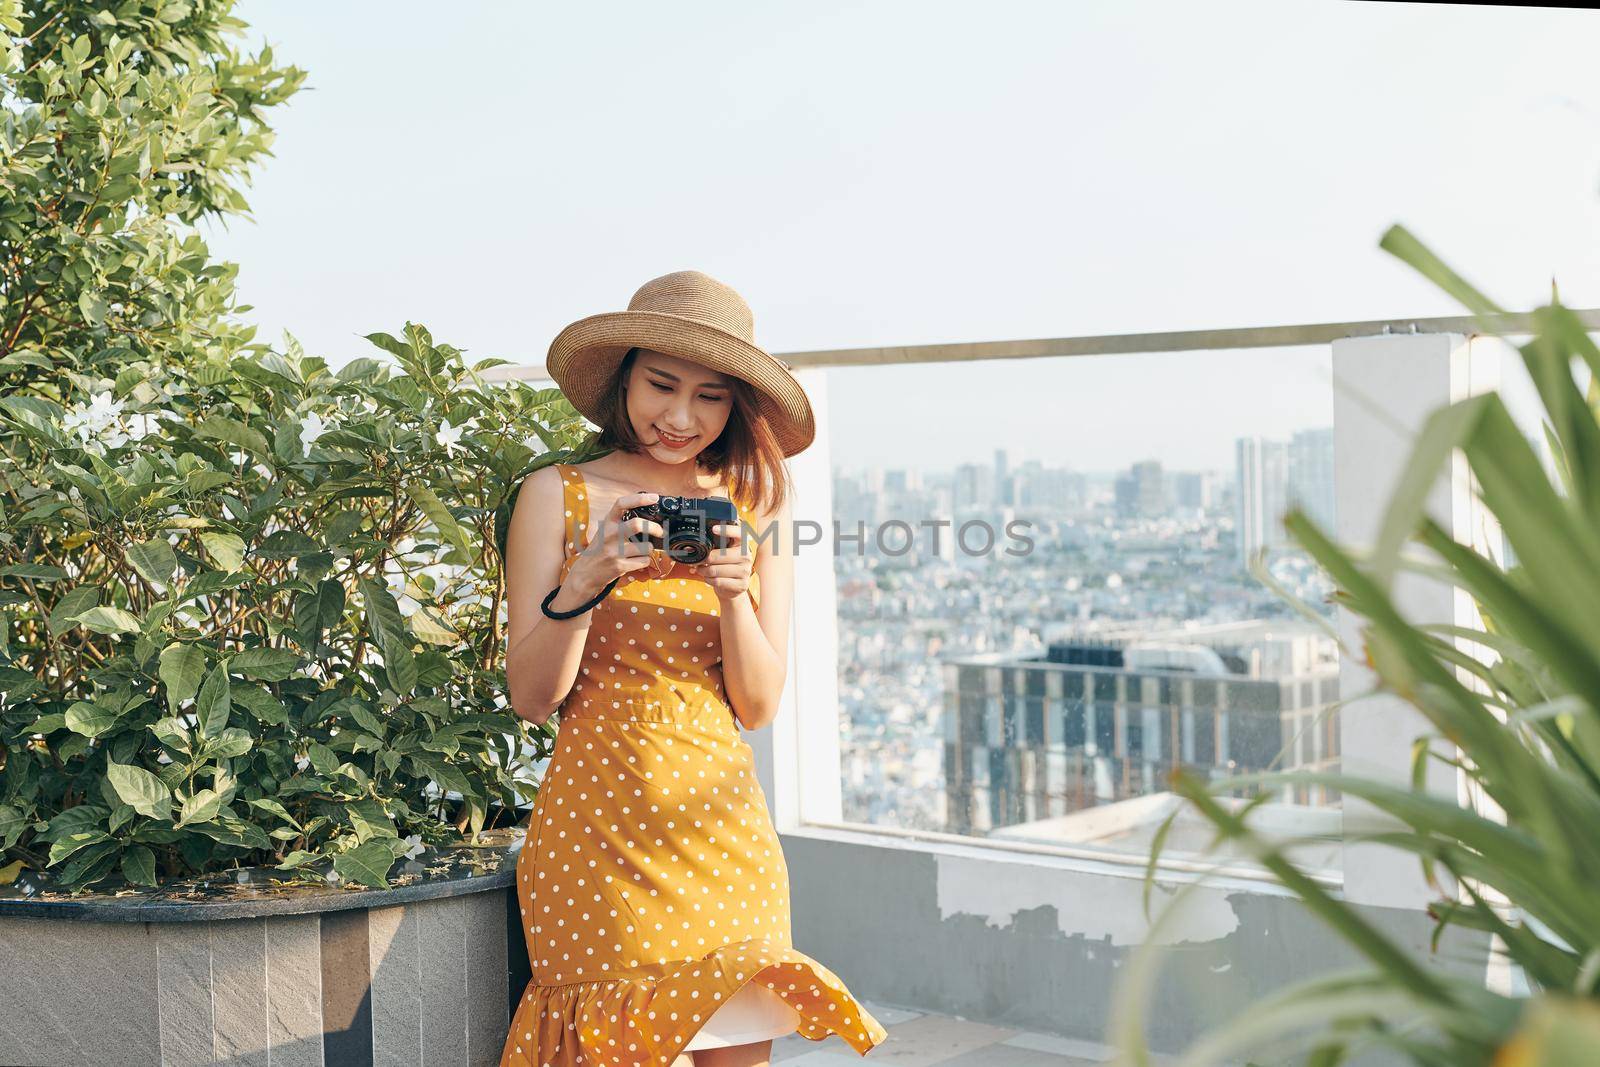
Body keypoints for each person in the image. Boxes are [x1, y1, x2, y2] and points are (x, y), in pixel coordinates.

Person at [498, 270, 888, 1066]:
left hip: (721, 833)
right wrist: (587, 578)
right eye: (661, 385)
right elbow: (533, 698)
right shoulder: (556, 494)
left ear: (735, 406)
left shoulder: (755, 506)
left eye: (709, 397)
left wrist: (737, 594)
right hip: (597, 835)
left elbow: (758, 703)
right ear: (625, 380)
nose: (679, 417)